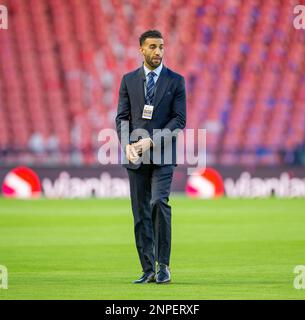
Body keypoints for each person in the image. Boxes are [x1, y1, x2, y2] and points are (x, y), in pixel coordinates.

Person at [115, 30, 186, 284]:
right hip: (135, 156)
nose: (158, 51)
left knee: (158, 203)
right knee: (140, 212)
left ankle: (163, 265)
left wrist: (151, 141)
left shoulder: (176, 81)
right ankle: (147, 269)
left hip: (163, 155)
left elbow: (179, 120)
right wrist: (126, 145)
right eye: (153, 47)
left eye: (162, 47)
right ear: (141, 50)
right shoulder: (128, 80)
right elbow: (122, 117)